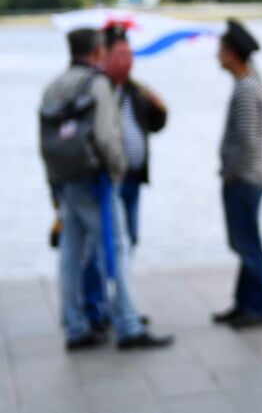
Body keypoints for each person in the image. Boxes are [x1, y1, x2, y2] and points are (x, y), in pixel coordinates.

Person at [39, 28, 173, 351]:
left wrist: (53, 185)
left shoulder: (53, 87)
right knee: (118, 247)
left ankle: (75, 326)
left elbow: (44, 140)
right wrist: (116, 170)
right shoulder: (97, 84)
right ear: (98, 50)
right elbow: (106, 136)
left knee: (71, 254)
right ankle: (127, 325)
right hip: (96, 181)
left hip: (66, 180)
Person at [81, 24, 168, 332]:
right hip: (110, 179)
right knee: (101, 246)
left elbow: (156, 124)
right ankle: (97, 308)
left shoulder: (134, 89)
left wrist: (159, 108)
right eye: (121, 54)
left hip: (133, 179)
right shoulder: (101, 89)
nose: (128, 60)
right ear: (104, 56)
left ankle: (122, 303)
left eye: (131, 53)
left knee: (127, 242)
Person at [212, 19, 262, 328]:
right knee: (245, 243)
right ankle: (244, 302)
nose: (216, 56)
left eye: (220, 50)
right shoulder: (251, 82)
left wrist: (230, 171)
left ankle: (258, 307)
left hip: (244, 179)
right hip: (249, 176)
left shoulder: (247, 89)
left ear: (232, 53)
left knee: (248, 245)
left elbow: (247, 140)